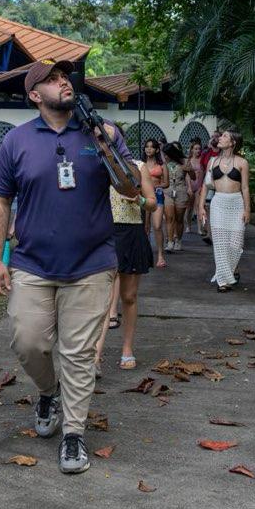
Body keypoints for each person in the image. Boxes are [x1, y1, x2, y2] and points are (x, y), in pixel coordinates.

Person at [0, 58, 134, 475]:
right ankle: (48, 391)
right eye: (50, 80)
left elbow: (130, 189)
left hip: (92, 263)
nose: (62, 82)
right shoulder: (16, 141)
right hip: (32, 263)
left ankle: (73, 434)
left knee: (79, 353)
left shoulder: (103, 133)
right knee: (28, 341)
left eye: (64, 76)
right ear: (35, 95)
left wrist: (103, 143)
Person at [94, 157, 156, 373]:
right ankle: (95, 357)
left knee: (129, 296)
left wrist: (138, 200)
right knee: (101, 298)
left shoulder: (137, 167)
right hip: (103, 233)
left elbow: (152, 203)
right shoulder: (95, 163)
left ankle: (127, 349)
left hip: (131, 231)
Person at [198, 130, 251, 292]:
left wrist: (247, 210)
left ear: (233, 142)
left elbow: (245, 188)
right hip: (218, 203)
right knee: (220, 244)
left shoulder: (242, 162)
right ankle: (223, 281)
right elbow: (205, 186)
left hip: (236, 203)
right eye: (221, 136)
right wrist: (201, 207)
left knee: (236, 243)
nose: (220, 138)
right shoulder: (212, 162)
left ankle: (230, 271)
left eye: (224, 136)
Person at [163, 142, 196, 252]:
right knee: (169, 217)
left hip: (181, 191)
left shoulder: (185, 161)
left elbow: (193, 177)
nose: (165, 156)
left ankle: (178, 240)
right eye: (164, 154)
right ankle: (170, 241)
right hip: (167, 191)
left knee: (179, 219)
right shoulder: (163, 163)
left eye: (167, 154)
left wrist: (189, 170)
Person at [143, 139, 169, 268]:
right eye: (147, 147)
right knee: (145, 227)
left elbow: (166, 183)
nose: (148, 149)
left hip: (157, 195)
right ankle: (145, 256)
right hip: (143, 196)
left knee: (157, 225)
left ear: (157, 149)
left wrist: (157, 186)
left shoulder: (162, 164)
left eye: (152, 147)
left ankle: (160, 255)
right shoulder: (141, 164)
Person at [198, 131, 221, 245]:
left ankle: (216, 233)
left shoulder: (223, 153)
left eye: (217, 136)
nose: (214, 139)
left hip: (221, 185)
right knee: (208, 208)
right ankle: (209, 234)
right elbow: (202, 170)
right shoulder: (206, 153)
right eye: (212, 137)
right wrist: (200, 185)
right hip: (209, 185)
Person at [186, 139, 204, 234]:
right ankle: (188, 226)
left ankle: (199, 228)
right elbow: (187, 175)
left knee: (198, 206)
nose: (198, 150)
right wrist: (189, 187)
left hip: (199, 185)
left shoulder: (202, 160)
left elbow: (204, 174)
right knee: (189, 208)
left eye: (199, 149)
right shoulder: (188, 160)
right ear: (192, 150)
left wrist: (202, 186)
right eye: (196, 149)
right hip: (190, 185)